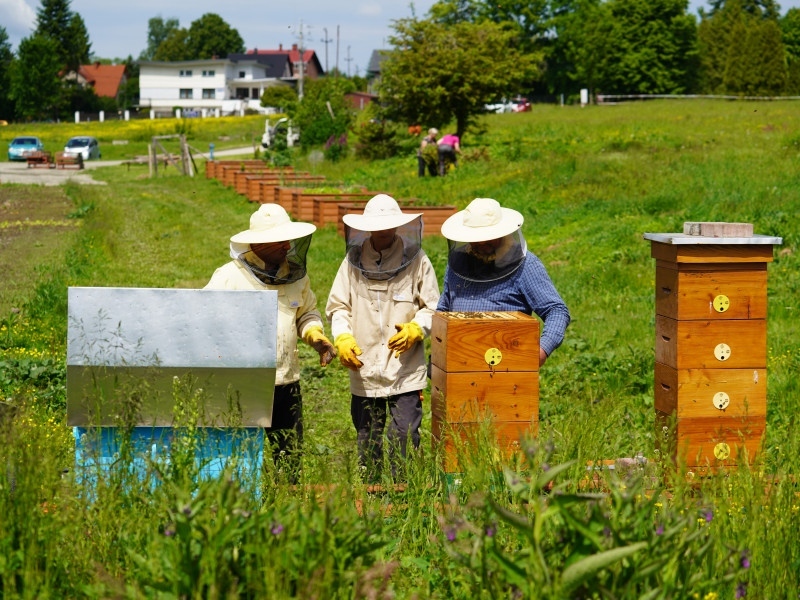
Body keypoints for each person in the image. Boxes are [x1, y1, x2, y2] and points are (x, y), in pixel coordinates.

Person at [205, 203, 335, 480]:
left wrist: (315, 335)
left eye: (288, 239)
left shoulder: (295, 276)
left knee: (290, 457)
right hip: (244, 383)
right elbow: (203, 320)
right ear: (257, 244)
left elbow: (307, 312)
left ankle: (287, 509)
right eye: (279, 240)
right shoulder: (228, 278)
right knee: (241, 456)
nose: (287, 246)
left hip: (287, 381)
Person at [326, 194, 440, 482]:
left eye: (388, 226)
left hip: (404, 368)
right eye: (377, 227)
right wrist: (342, 338)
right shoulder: (351, 263)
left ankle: (404, 491)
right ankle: (372, 492)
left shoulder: (418, 261)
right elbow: (339, 307)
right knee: (367, 435)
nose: (383, 232)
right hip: (363, 366)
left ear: (398, 226)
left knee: (404, 433)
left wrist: (416, 328)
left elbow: (433, 307)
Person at [437, 197, 570, 366]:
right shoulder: (459, 262)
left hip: (506, 366)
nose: (482, 243)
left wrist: (541, 350)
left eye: (488, 237)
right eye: (476, 238)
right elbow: (443, 309)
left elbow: (556, 310)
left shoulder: (526, 265)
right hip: (459, 362)